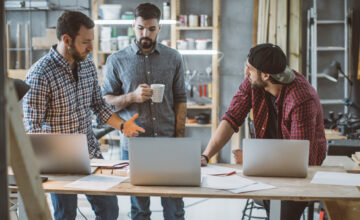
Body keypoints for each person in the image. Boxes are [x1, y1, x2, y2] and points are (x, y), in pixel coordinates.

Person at [22, 11, 145, 220]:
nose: (91, 47)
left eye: (92, 41)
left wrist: (123, 126)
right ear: (66, 40)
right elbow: (32, 129)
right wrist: (58, 152)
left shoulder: (87, 64)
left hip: (90, 153)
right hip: (58, 161)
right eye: (85, 42)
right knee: (66, 214)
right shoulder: (40, 74)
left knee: (109, 209)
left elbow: (98, 105)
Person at [201, 43, 327, 220]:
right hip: (270, 165)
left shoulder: (301, 99)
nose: (246, 74)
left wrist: (255, 160)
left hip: (300, 172)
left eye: (250, 70)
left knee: (284, 212)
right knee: (271, 209)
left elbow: (299, 160)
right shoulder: (253, 82)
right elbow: (231, 118)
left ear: (266, 75)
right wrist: (206, 156)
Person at [101, 3, 187, 220]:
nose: (145, 34)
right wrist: (132, 97)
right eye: (140, 28)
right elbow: (105, 103)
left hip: (169, 142)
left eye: (150, 29)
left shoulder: (174, 58)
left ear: (159, 28)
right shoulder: (116, 60)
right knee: (139, 211)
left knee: (175, 210)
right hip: (134, 145)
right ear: (133, 26)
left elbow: (181, 100)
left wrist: (179, 138)